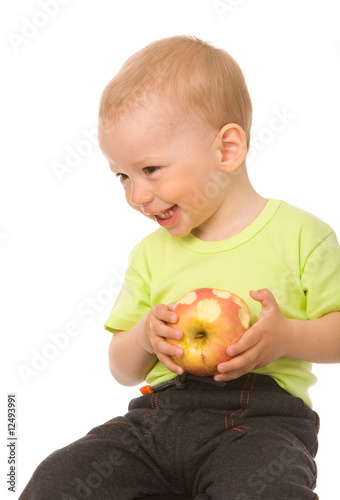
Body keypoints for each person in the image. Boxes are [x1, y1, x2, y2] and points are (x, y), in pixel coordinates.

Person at [19, 35, 340, 500]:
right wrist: (146, 336)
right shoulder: (151, 254)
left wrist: (286, 337)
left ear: (227, 150)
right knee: (59, 478)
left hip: (260, 425)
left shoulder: (303, 237)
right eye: (122, 176)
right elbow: (122, 369)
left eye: (150, 170)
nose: (136, 195)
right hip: (157, 423)